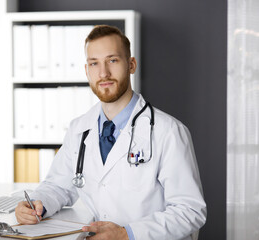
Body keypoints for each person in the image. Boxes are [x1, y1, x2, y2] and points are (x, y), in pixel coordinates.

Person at [15, 25, 206, 240]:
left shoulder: (169, 131)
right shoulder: (80, 129)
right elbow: (58, 186)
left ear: (131, 65)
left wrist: (126, 234)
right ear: (86, 71)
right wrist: (36, 204)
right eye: (94, 63)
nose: (103, 73)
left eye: (112, 60)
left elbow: (190, 211)